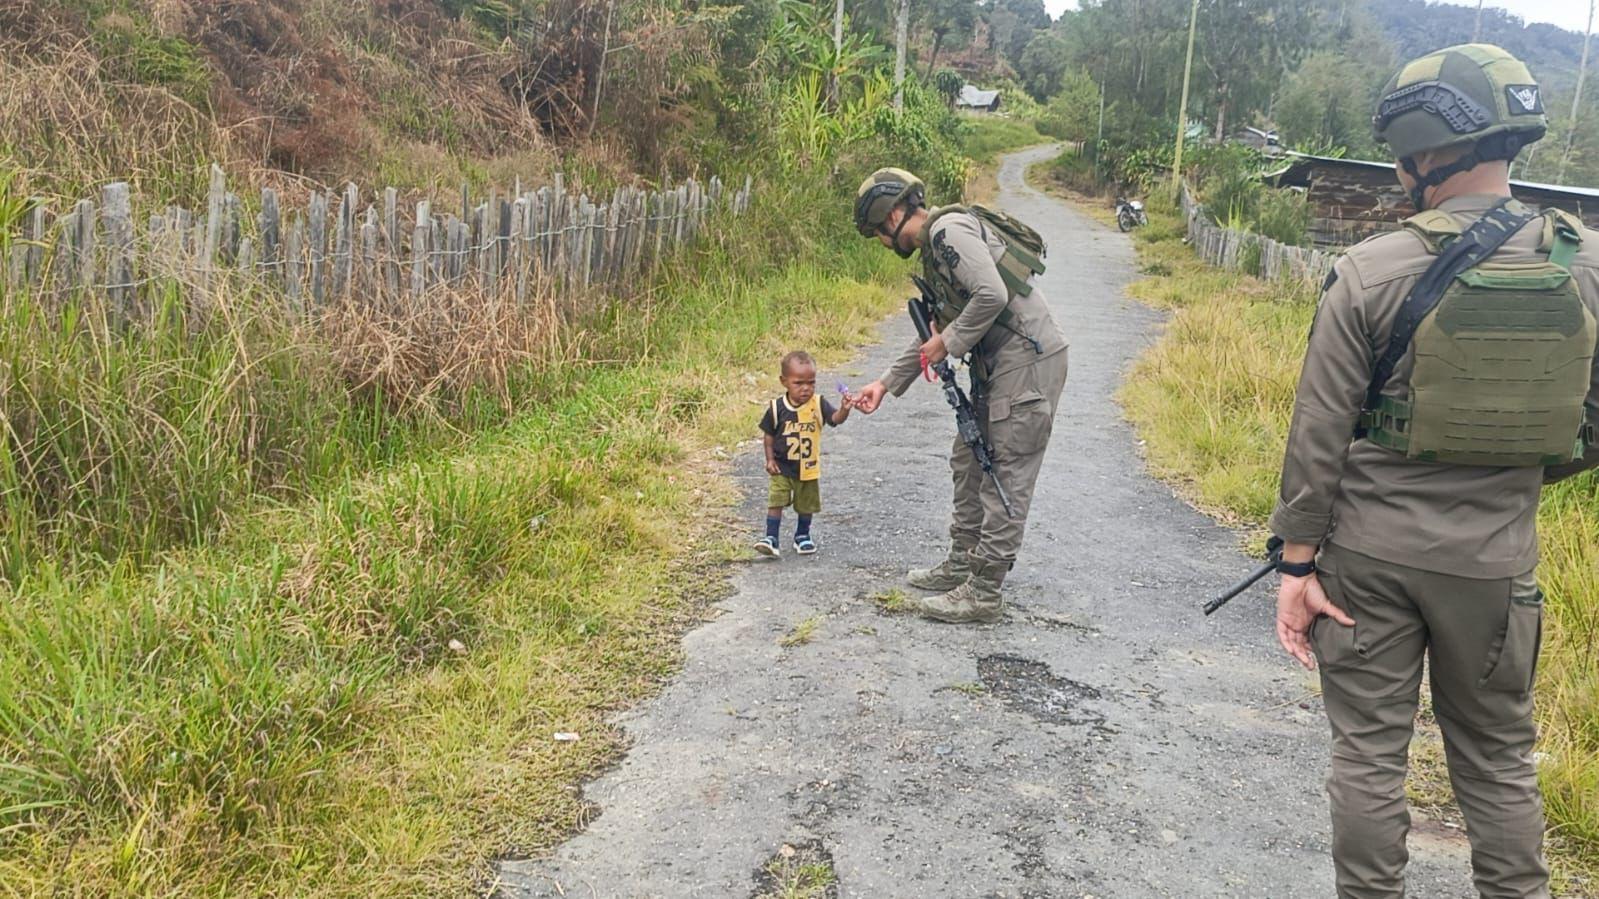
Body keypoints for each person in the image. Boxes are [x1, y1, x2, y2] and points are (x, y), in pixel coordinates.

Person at [1267, 43, 1599, 898]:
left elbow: (1318, 432)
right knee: (1495, 760)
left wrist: (1295, 564)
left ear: (1420, 150)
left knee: (1368, 754)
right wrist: (1525, 473)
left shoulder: (1370, 268)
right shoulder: (1587, 266)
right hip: (1493, 563)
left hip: (1366, 563)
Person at [849, 168, 1068, 623]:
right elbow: (942, 327)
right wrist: (885, 384)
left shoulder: (949, 231)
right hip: (998, 365)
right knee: (968, 460)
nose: (885, 247)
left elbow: (989, 295)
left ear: (891, 216)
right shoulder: (938, 248)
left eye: (878, 236)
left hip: (1027, 362)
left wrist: (946, 344)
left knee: (1005, 471)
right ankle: (963, 563)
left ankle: (985, 592)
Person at [756, 350, 852, 557]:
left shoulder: (818, 404)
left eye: (811, 383)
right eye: (798, 383)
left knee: (805, 504)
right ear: (784, 382)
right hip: (781, 467)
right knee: (776, 501)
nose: (805, 389)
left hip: (808, 468)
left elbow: (835, 419)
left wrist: (845, 409)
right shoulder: (776, 407)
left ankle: (802, 536)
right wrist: (770, 459)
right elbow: (768, 435)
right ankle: (771, 538)